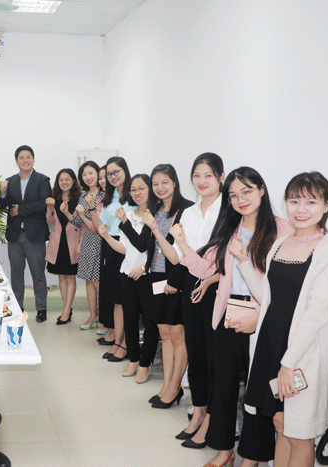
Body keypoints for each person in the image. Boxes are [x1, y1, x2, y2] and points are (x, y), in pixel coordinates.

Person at [173, 167, 292, 467]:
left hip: (263, 320)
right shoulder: (230, 228)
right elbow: (205, 268)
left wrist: (259, 317)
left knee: (257, 391)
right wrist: (183, 243)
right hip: (228, 315)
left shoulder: (282, 230)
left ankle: (251, 457)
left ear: (262, 190)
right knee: (223, 386)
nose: (241, 200)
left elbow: (283, 287)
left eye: (247, 191)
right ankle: (224, 450)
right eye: (234, 195)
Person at [237, 172, 328, 467]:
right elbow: (268, 298)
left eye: (311, 202)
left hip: (300, 356)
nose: (301, 209)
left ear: (326, 206)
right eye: (294, 201)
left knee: (301, 435)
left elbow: (316, 314)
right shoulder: (281, 243)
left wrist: (288, 363)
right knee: (281, 424)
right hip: (271, 347)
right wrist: (243, 263)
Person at [122, 164, 193, 406]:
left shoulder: (186, 210)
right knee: (164, 333)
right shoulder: (154, 210)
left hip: (175, 279)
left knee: (177, 335)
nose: (160, 188)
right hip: (155, 278)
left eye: (164, 182)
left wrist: (175, 280)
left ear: (174, 182)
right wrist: (144, 267)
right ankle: (166, 386)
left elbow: (187, 252)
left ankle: (174, 387)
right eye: (155, 184)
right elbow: (145, 245)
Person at [165, 153, 224, 448]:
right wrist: (164, 235)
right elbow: (178, 256)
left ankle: (212, 416)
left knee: (214, 354)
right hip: (191, 282)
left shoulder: (228, 211)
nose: (202, 181)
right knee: (196, 349)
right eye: (197, 175)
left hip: (216, 286)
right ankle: (198, 410)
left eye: (208, 175)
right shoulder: (188, 212)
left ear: (221, 178)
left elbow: (220, 261)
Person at [105, 174, 160, 383]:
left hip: (147, 275)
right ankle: (134, 359)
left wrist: (144, 267)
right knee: (130, 320)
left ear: (150, 189)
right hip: (127, 273)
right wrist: (106, 236)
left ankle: (145, 363)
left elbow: (144, 246)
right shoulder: (128, 214)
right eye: (134, 189)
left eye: (141, 188)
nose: (137, 193)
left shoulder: (154, 215)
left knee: (150, 322)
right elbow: (125, 248)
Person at [0, 145, 52, 322]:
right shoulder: (9, 181)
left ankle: (41, 308)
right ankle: (17, 307)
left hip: (35, 235)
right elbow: (1, 205)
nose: (25, 160)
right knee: (16, 274)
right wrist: (2, 192)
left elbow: (43, 203)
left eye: (28, 157)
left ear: (33, 160)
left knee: (38, 275)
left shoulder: (43, 180)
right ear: (16, 161)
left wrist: (20, 210)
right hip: (14, 235)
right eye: (21, 157)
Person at [91, 156, 132, 359]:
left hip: (129, 245)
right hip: (110, 244)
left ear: (125, 171)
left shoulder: (133, 195)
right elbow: (103, 224)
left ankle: (125, 343)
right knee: (115, 297)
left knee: (125, 298)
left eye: (116, 172)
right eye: (109, 174)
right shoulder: (110, 196)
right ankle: (117, 340)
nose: (113, 176)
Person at [44, 169, 82, 324]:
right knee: (61, 276)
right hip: (58, 242)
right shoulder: (54, 199)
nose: (64, 182)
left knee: (70, 276)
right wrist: (50, 208)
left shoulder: (79, 200)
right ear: (57, 182)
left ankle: (66, 311)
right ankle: (67, 308)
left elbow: (82, 226)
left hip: (73, 242)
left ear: (73, 181)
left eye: (67, 179)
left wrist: (80, 246)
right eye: (61, 179)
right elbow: (50, 222)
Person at [72, 161, 104, 330]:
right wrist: (69, 212)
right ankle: (93, 315)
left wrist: (82, 214)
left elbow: (95, 225)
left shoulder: (104, 195)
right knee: (89, 280)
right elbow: (78, 222)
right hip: (87, 242)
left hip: (101, 241)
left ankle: (105, 319)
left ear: (98, 173)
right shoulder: (83, 196)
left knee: (98, 281)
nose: (88, 177)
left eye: (91, 173)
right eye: (84, 175)